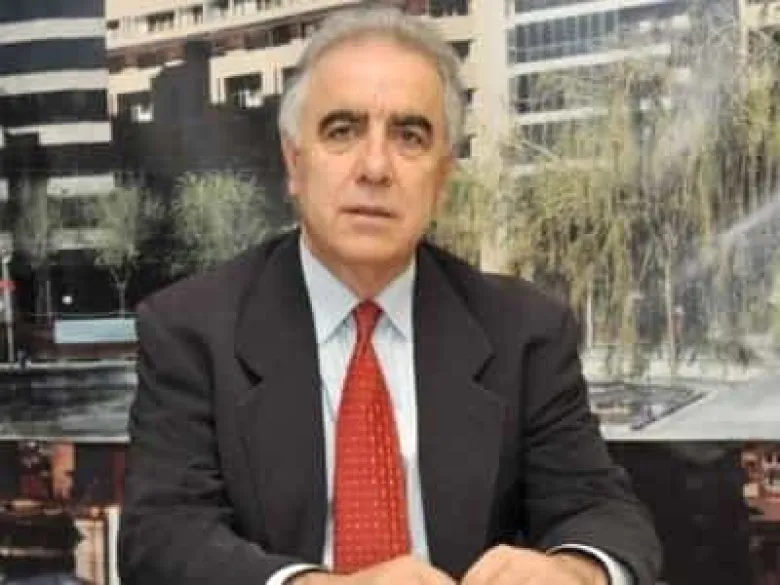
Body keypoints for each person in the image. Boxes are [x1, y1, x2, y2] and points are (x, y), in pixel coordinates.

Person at [117, 6, 662, 585]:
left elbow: (601, 511)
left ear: (443, 178)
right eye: (342, 131)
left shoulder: (524, 330)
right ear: (294, 163)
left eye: (409, 136)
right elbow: (163, 538)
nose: (375, 167)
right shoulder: (192, 330)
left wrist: (576, 572)